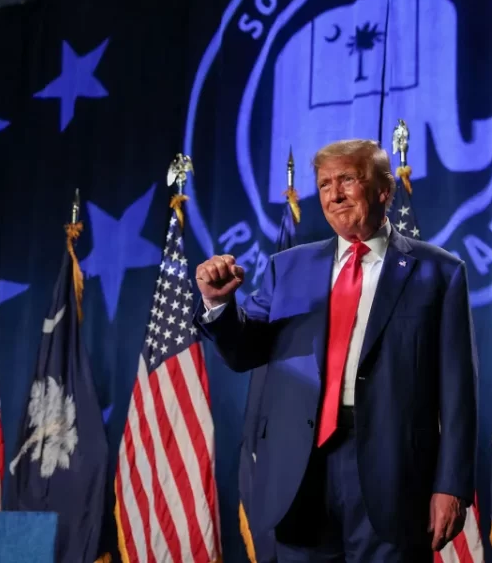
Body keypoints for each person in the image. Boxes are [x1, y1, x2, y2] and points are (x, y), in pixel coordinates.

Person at [194, 139, 477, 562]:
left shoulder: (438, 272)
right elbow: (243, 352)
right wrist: (218, 305)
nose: (334, 194)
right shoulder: (287, 267)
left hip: (391, 470)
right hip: (299, 470)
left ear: (384, 190)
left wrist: (451, 484)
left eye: (348, 179)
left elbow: (458, 392)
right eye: (325, 184)